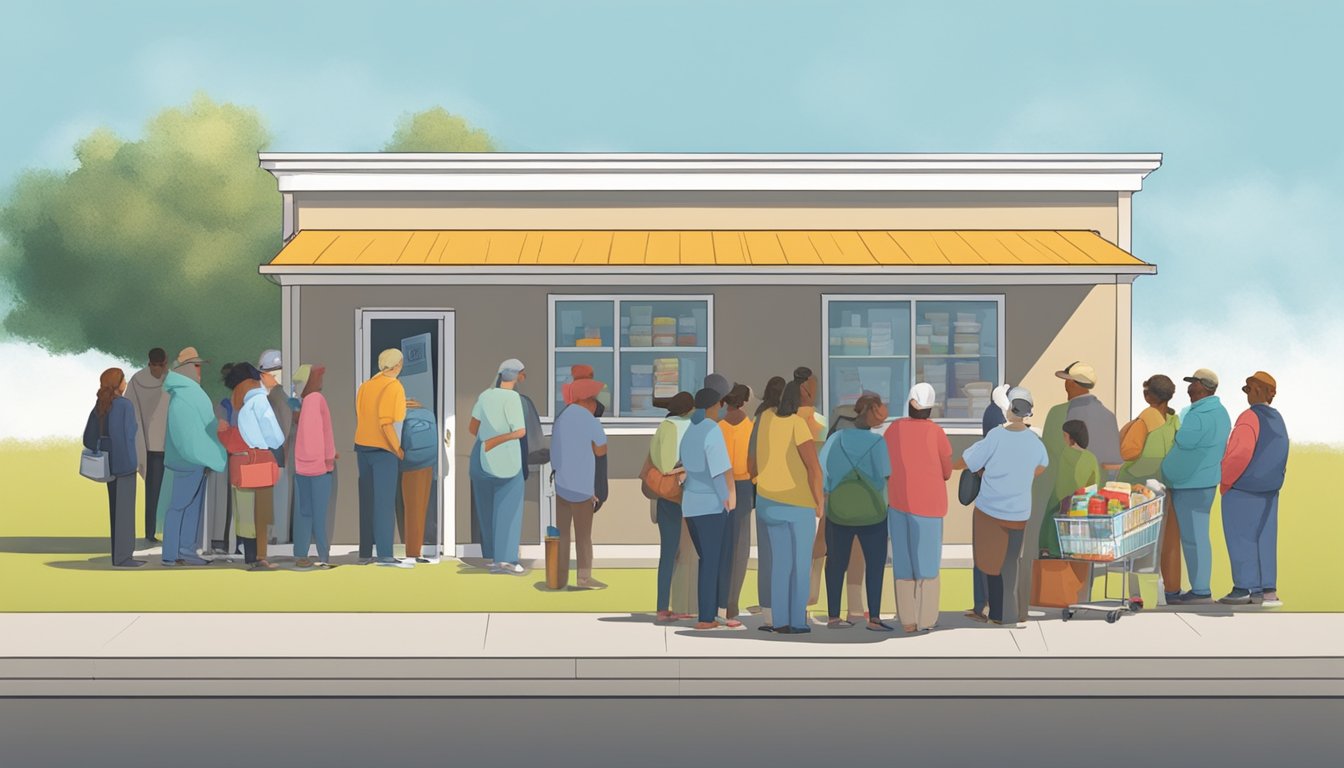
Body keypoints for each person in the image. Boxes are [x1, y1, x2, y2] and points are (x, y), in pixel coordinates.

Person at [956, 386, 1049, 626]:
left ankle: (996, 613)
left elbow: (969, 460)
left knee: (989, 563)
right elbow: (1041, 467)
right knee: (1010, 563)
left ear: (1008, 409)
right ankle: (1009, 614)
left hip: (991, 511)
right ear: (1029, 412)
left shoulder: (996, 436)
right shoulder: (1034, 441)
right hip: (1019, 512)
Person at [753, 372, 825, 634]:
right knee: (800, 564)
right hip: (796, 503)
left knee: (780, 564)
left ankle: (779, 620)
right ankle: (796, 621)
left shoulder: (765, 420)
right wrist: (819, 502)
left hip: (768, 500)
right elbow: (814, 469)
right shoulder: (797, 424)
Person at [819, 391, 893, 631]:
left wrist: (829, 491)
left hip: (839, 509)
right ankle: (874, 618)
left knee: (836, 563)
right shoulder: (878, 442)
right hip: (873, 511)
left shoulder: (836, 438)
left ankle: (832, 616)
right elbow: (885, 475)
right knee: (874, 564)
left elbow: (823, 470)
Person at [886, 383, 953, 632]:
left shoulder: (894, 429)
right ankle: (926, 620)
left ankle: (907, 620)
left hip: (897, 503)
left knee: (903, 563)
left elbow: (885, 462)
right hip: (929, 505)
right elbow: (946, 470)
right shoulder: (936, 433)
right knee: (927, 564)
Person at [1160, 368, 1231, 604]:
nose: (1189, 389)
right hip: (1206, 482)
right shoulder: (1221, 412)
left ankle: (1200, 590)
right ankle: (1200, 587)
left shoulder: (1199, 414)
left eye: (1193, 384)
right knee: (1199, 536)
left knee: (1193, 538)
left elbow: (1184, 441)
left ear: (1203, 386)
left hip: (1189, 484)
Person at [1219, 371, 1288, 607]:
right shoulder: (1278, 419)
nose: (1246, 395)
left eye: (1247, 389)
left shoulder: (1249, 418)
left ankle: (1244, 588)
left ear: (1257, 390)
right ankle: (1267, 590)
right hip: (1270, 490)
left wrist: (1226, 481)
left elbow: (1238, 454)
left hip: (1242, 488)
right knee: (1265, 539)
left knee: (1241, 538)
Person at [159, 347, 227, 567]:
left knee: (189, 507)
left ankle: (183, 550)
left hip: (190, 459)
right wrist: (207, 452)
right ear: (188, 369)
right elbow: (194, 431)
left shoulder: (183, 393)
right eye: (197, 366)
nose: (200, 371)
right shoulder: (190, 394)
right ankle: (173, 553)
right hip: (191, 459)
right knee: (180, 506)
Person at [681, 387, 742, 630]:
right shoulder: (712, 430)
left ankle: (712, 614)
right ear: (713, 406)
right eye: (720, 405)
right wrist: (727, 498)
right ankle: (707, 617)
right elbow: (719, 471)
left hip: (690, 505)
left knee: (706, 559)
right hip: (711, 505)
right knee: (712, 561)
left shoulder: (689, 431)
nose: (722, 410)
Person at [1118, 375, 1183, 603]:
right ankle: (1168, 591)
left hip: (1139, 486)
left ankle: (1136, 594)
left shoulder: (1145, 420)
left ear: (1149, 395)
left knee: (1136, 540)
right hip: (1166, 485)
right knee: (1166, 541)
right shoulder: (1175, 422)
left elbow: (1128, 452)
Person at [469, 358, 528, 574]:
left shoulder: (485, 396)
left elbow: (472, 427)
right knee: (508, 510)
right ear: (517, 376)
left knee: (486, 510)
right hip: (506, 460)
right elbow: (520, 431)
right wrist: (498, 439)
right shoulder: (512, 398)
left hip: (481, 459)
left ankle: (493, 556)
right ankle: (507, 560)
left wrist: (487, 438)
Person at [550, 377, 610, 590]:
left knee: (563, 534)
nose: (597, 405)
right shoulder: (590, 421)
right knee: (584, 537)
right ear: (586, 400)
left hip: (562, 485)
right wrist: (599, 489)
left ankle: (559, 578)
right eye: (594, 399)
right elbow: (601, 453)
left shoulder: (561, 418)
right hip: (583, 489)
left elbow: (554, 454)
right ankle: (584, 578)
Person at [355, 348, 413, 568]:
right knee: (384, 503)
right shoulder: (394, 386)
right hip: (383, 450)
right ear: (396, 365)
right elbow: (386, 422)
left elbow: (363, 415)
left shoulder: (365, 386)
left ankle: (364, 553)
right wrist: (397, 449)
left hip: (362, 447)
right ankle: (386, 555)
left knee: (367, 502)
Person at [83, 368, 143, 567]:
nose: (126, 382)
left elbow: (88, 438)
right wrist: (132, 463)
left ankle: (118, 555)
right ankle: (124, 557)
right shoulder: (124, 406)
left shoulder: (101, 405)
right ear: (118, 383)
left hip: (107, 464)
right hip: (124, 464)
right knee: (125, 513)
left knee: (115, 511)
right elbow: (126, 436)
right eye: (124, 379)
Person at [648, 391, 694, 622]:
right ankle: (676, 606)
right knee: (682, 553)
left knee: (667, 553)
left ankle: (662, 605)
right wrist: (686, 469)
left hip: (662, 496)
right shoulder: (682, 426)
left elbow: (657, 461)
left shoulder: (663, 426)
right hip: (679, 495)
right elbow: (668, 465)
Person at [967, 383, 1011, 621]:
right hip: (1010, 505)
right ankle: (994, 605)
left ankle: (982, 605)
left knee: (985, 554)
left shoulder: (993, 420)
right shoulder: (1010, 430)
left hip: (989, 503)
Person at [746, 376, 786, 623]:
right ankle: (783, 604)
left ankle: (767, 604)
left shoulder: (759, 418)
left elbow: (751, 456)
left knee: (767, 552)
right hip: (786, 491)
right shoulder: (786, 419)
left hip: (763, 489)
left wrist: (755, 479)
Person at [294, 365, 337, 569]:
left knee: (304, 513)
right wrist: (327, 459)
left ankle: (301, 554)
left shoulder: (303, 402)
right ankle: (323, 556)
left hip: (301, 467)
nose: (321, 380)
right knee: (320, 514)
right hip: (319, 468)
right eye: (318, 376)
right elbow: (318, 435)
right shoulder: (316, 400)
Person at [717, 384, 754, 620]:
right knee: (740, 547)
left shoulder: (718, 427)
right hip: (743, 486)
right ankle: (732, 603)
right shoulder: (751, 427)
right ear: (745, 401)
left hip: (719, 484)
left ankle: (719, 602)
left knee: (721, 545)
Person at [1040, 421, 1101, 558]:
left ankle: (1048, 550)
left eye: (1065, 436)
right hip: (1084, 505)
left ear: (1071, 438)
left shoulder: (1064, 454)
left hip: (1064, 504)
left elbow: (1062, 484)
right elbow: (1094, 484)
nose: (1063, 438)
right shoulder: (1091, 457)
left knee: (1052, 518)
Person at [127, 348, 169, 543]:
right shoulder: (137, 381)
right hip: (153, 447)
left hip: (162, 444)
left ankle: (158, 531)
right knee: (153, 492)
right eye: (156, 366)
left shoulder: (137, 380)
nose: (159, 370)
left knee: (160, 491)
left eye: (161, 366)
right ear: (151, 363)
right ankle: (151, 531)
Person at [258, 350, 295, 549]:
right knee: (277, 499)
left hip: (276, 455)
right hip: (278, 455)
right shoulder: (278, 397)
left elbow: (284, 431)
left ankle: (276, 537)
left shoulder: (275, 398)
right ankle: (276, 536)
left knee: (276, 498)